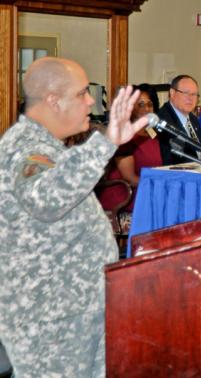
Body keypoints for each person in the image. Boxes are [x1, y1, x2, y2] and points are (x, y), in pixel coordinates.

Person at [0, 57, 147, 377]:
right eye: (82, 93)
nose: (91, 101)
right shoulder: (25, 148)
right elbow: (46, 198)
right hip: (51, 324)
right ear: (53, 100)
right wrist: (106, 142)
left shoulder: (49, 147)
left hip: (77, 313)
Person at [98, 83, 162, 215]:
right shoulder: (124, 136)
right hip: (126, 195)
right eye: (141, 104)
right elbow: (130, 178)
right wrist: (159, 186)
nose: (147, 109)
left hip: (147, 189)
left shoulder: (152, 133)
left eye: (150, 104)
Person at [157, 75, 201, 165]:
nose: (190, 98)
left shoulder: (193, 119)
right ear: (172, 93)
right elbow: (171, 160)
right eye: (186, 93)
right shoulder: (163, 120)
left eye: (194, 94)